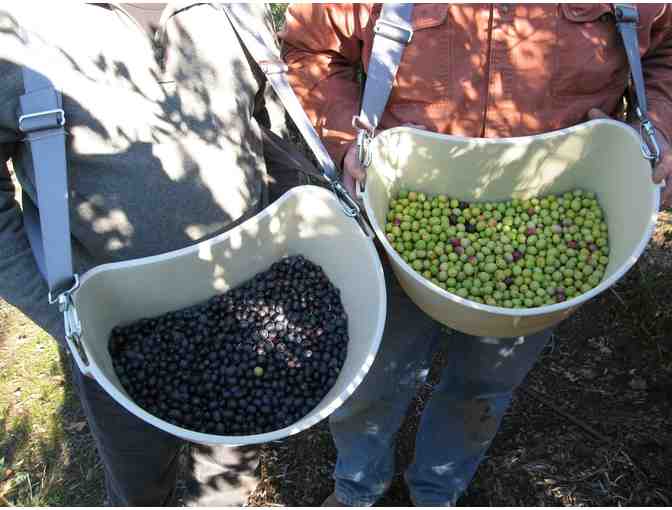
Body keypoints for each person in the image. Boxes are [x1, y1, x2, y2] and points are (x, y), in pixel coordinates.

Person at [280, 4, 672, 506]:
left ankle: (436, 492)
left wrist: (657, 125)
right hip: (404, 217)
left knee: (483, 385)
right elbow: (312, 48)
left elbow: (666, 50)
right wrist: (345, 138)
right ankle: (358, 488)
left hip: (548, 224)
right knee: (373, 378)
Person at [0, 2, 311, 506]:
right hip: (117, 334)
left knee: (228, 470)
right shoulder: (16, 28)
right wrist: (61, 317)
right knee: (139, 483)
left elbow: (254, 127)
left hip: (243, 310)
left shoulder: (236, 9)